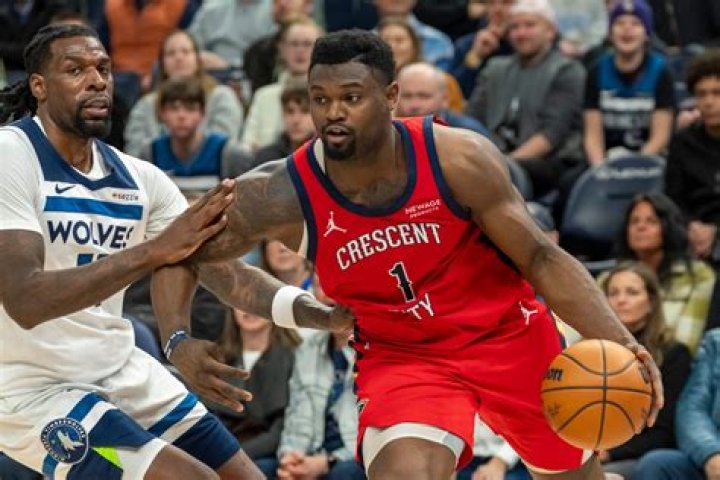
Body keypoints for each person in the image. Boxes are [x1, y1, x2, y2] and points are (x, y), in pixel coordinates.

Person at [151, 29, 663, 480]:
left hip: (507, 336)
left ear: (391, 96)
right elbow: (183, 250)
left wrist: (622, 341)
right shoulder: (281, 191)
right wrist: (179, 339)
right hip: (405, 357)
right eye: (320, 98)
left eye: (351, 97)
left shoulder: (457, 156)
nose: (333, 112)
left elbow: (542, 258)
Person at [0, 23, 271, 479]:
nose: (97, 80)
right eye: (76, 70)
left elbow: (224, 272)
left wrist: (312, 312)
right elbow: (25, 299)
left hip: (120, 368)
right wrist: (153, 251)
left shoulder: (139, 177)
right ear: (40, 87)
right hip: (32, 387)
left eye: (103, 69)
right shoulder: (11, 154)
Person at [466, 0, 586, 199]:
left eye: (530, 25)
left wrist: (504, 165)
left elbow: (551, 135)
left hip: (544, 162)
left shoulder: (567, 71)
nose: (521, 33)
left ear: (550, 31)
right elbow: (471, 121)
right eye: (514, 27)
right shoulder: (495, 69)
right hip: (493, 156)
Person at [598, 262, 692, 478]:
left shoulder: (674, 354)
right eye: (613, 293)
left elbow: (665, 432)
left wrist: (609, 452)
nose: (621, 300)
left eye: (632, 292)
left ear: (651, 302)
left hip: (638, 456)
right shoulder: (590, 350)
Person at [600, 193, 716, 353]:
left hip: (670, 361)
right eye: (634, 221)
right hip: (609, 358)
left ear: (668, 227)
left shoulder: (698, 276)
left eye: (651, 221)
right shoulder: (607, 278)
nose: (641, 227)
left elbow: (687, 343)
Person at [124, 29, 244, 158]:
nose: (179, 58)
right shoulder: (145, 105)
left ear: (198, 59)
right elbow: (134, 153)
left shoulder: (222, 97)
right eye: (171, 53)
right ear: (162, 63)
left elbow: (224, 148)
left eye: (185, 52)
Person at [582, 0, 675, 166]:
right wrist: (600, 169)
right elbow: (592, 135)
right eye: (619, 23)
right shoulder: (596, 70)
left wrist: (632, 167)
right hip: (605, 161)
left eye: (636, 24)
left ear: (647, 34)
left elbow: (661, 137)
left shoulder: (661, 71)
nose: (627, 29)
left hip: (650, 161)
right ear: (610, 33)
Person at [212, 308, 301, 478]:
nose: (249, 308)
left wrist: (231, 456)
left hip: (265, 453)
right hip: (218, 447)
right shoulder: (215, 357)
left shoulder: (295, 356)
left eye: (256, 300)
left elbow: (281, 429)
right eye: (240, 302)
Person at [276, 329, 366, 480]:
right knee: (262, 470)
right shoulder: (308, 347)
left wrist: (328, 461)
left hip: (353, 454)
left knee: (343, 473)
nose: (337, 317)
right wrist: (290, 458)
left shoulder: (377, 348)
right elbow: (297, 413)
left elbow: (375, 435)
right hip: (312, 453)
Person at [632, 328, 720, 480]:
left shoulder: (674, 352)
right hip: (712, 454)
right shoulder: (715, 340)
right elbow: (691, 409)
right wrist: (711, 453)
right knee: (656, 464)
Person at [137, 76, 252, 188]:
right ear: (161, 113)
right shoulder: (151, 153)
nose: (181, 116)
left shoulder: (228, 153)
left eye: (190, 108)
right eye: (173, 108)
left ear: (202, 113)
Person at [378, 16, 465, 113]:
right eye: (385, 41)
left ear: (414, 45)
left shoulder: (444, 81)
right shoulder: (371, 84)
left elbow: (454, 117)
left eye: (399, 40)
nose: (391, 46)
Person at [395, 62, 490, 137]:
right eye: (407, 96)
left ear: (445, 99)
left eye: (424, 96)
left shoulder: (469, 133)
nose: (415, 105)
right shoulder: (391, 133)